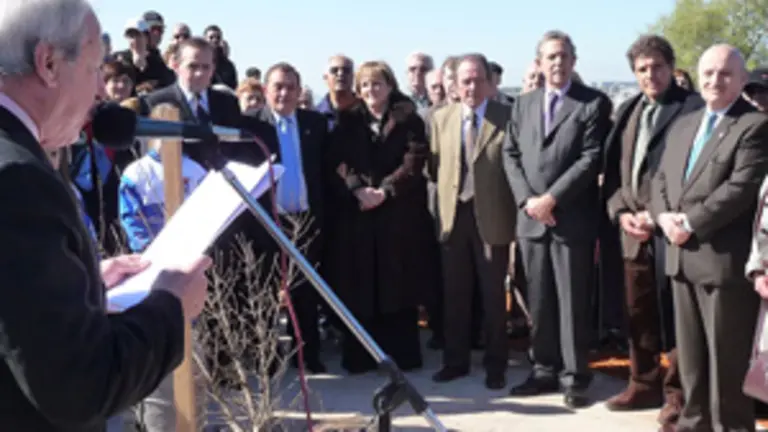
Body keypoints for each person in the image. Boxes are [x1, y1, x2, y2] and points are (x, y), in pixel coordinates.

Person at [0, 1, 210, 430]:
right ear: (49, 63)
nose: (101, 91)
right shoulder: (18, 179)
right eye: (95, 68)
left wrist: (83, 281)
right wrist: (170, 307)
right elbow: (80, 386)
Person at [650, 44, 768, 432]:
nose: (715, 80)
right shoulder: (685, 124)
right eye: (709, 72)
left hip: (721, 266)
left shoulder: (754, 125)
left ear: (742, 80)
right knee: (692, 364)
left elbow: (741, 188)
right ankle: (693, 424)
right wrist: (663, 217)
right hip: (681, 260)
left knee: (726, 366)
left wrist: (689, 223)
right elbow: (660, 179)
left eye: (725, 73)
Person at [503, 30, 612, 408]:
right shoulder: (523, 103)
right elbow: (510, 154)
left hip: (570, 220)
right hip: (532, 220)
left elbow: (591, 157)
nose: (558, 62)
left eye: (564, 56)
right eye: (551, 56)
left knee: (572, 302)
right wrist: (528, 201)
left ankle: (575, 377)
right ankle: (543, 370)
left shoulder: (593, 103)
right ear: (539, 62)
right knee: (539, 300)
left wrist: (552, 199)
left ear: (574, 60)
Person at [602, 35, 703, 427]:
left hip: (673, 231)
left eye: (657, 66)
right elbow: (614, 172)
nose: (650, 75)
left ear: (671, 67)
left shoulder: (693, 109)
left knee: (676, 317)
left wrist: (657, 214)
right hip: (632, 231)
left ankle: (678, 396)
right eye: (642, 69)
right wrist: (620, 212)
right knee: (638, 311)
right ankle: (643, 382)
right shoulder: (629, 110)